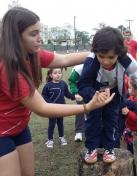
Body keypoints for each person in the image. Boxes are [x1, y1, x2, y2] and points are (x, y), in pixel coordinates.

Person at [0, 7, 114, 176]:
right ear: (16, 36)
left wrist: (99, 52)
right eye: (33, 34)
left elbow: (65, 59)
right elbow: (43, 108)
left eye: (39, 32)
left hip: (20, 127)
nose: (40, 38)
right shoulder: (7, 68)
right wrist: (86, 107)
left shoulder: (33, 54)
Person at [78, 27, 137, 164]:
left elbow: (136, 71)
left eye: (111, 57)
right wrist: (94, 95)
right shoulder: (91, 61)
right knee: (93, 120)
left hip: (115, 92)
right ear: (95, 52)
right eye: (101, 56)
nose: (105, 61)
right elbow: (83, 84)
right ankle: (91, 148)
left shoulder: (124, 58)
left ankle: (109, 148)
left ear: (119, 53)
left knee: (112, 121)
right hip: (95, 92)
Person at [42, 68, 81, 148]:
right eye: (55, 73)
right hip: (52, 109)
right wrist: (50, 104)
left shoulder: (63, 84)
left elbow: (67, 94)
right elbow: (44, 96)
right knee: (51, 124)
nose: (58, 74)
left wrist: (75, 96)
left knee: (60, 123)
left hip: (61, 108)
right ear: (51, 75)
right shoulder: (48, 85)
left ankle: (62, 137)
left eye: (59, 73)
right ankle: (50, 140)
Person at [68, 64, 85, 142]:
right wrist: (75, 93)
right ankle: (79, 132)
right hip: (79, 90)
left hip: (91, 89)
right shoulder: (78, 69)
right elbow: (72, 82)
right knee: (80, 109)